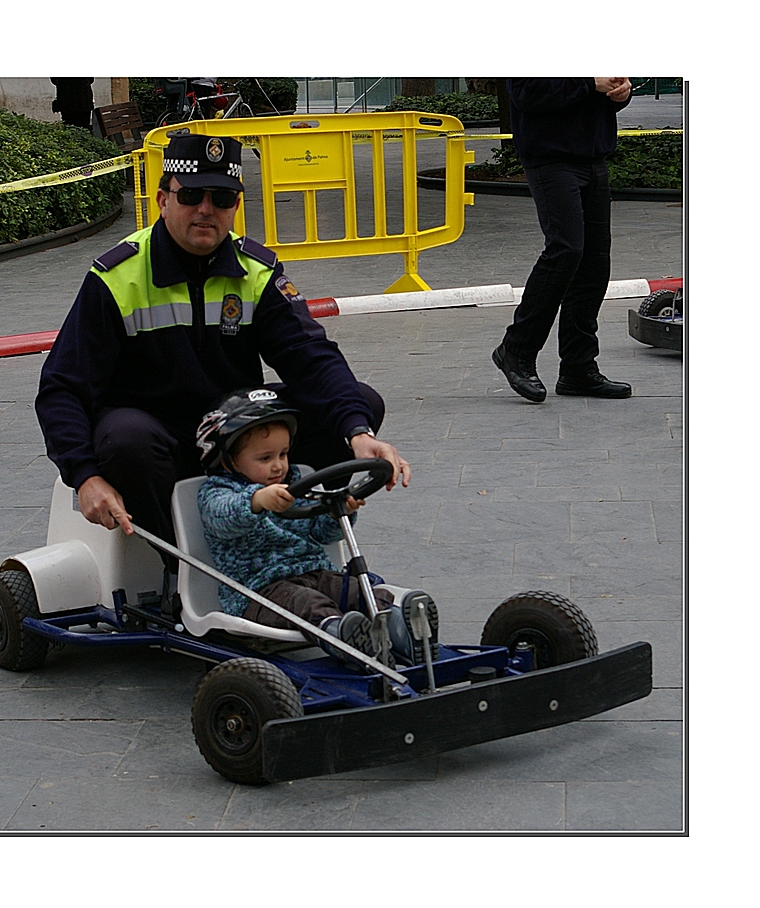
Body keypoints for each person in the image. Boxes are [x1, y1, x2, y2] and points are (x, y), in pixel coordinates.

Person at [35, 133, 410, 569]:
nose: (206, 210)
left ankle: (292, 541)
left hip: (237, 436)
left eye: (224, 197)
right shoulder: (116, 276)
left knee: (358, 403)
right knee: (126, 440)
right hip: (157, 439)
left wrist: (359, 433)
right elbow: (61, 387)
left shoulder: (256, 271)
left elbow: (311, 356)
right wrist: (84, 477)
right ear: (162, 198)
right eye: (191, 194)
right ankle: (187, 571)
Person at [195, 388, 438, 668]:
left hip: (314, 572)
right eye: (265, 458)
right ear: (228, 460)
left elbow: (320, 534)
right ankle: (342, 637)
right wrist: (258, 500)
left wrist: (339, 514)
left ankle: (401, 630)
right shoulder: (217, 492)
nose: (278, 466)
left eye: (283, 454)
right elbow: (223, 518)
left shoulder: (295, 479)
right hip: (260, 590)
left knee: (362, 590)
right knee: (307, 602)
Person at [492, 78, 634, 403]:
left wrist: (620, 92)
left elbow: (609, 91)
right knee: (566, 249)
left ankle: (578, 368)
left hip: (593, 154)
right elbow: (527, 94)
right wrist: (589, 83)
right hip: (549, 156)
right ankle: (516, 349)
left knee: (595, 263)